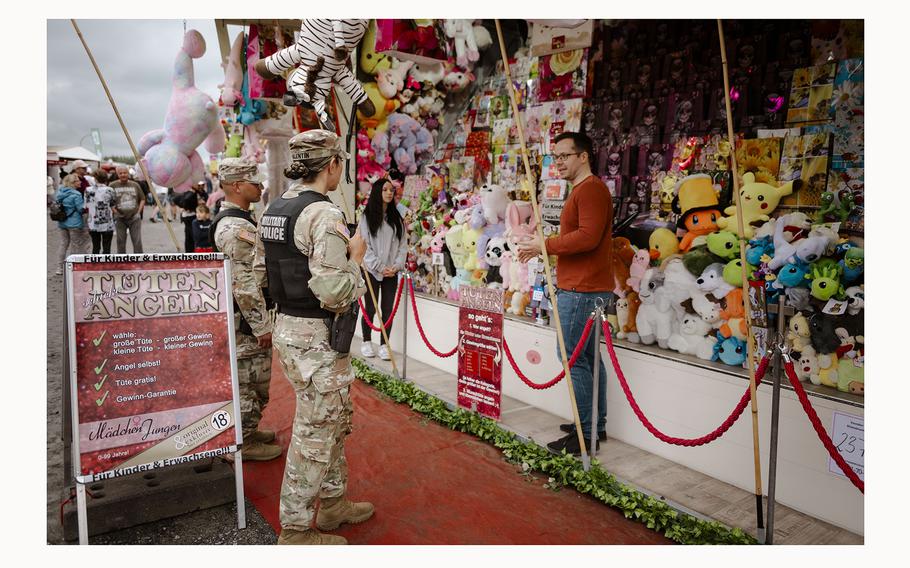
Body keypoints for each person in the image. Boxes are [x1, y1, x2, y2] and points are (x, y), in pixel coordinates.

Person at [253, 130, 371, 546]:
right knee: (316, 430)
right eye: (341, 162)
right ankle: (297, 530)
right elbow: (334, 292)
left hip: (290, 328)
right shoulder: (322, 214)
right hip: (316, 336)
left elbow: (260, 272)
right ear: (332, 165)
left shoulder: (276, 207)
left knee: (332, 420)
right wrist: (355, 261)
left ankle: (335, 504)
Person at [516, 131, 613, 456]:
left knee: (573, 358)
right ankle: (593, 425)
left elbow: (588, 237)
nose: (558, 162)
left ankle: (587, 434)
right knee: (585, 358)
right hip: (582, 285)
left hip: (582, 288)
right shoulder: (585, 190)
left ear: (583, 156)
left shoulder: (591, 190)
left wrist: (546, 245)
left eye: (564, 156)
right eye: (554, 156)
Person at [211, 158, 280, 461]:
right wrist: (260, 325)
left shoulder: (240, 220)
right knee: (250, 380)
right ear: (237, 186)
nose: (261, 186)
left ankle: (248, 431)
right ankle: (242, 442)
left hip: (244, 320)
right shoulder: (234, 227)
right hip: (245, 324)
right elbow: (244, 284)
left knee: (254, 379)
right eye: (255, 182)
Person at [358, 178, 407, 361]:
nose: (389, 193)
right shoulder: (367, 217)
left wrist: (396, 266)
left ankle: (384, 344)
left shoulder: (397, 219)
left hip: (391, 272)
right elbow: (365, 245)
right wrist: (379, 266)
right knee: (370, 308)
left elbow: (403, 245)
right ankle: (366, 341)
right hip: (372, 271)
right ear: (378, 192)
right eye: (385, 190)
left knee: (387, 309)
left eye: (391, 190)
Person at [54, 174, 90, 275]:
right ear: (73, 183)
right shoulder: (76, 194)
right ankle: (72, 267)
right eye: (77, 181)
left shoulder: (60, 193)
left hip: (62, 222)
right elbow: (80, 209)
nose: (80, 182)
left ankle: (59, 268)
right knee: (75, 246)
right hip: (74, 223)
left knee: (63, 244)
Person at [110, 166, 145, 253]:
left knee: (137, 241)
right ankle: (122, 262)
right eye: (120, 173)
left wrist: (138, 212)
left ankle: (139, 260)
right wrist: (115, 212)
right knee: (120, 241)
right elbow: (109, 201)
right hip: (120, 218)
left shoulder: (135, 185)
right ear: (117, 174)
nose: (123, 175)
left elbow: (142, 199)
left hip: (134, 217)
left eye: (125, 173)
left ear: (128, 173)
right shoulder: (112, 185)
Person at [84, 169, 116, 254]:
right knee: (107, 247)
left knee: (95, 247)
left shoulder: (88, 190)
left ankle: (95, 265)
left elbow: (86, 205)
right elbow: (113, 205)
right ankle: (105, 266)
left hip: (93, 222)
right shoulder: (110, 190)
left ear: (95, 178)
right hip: (107, 222)